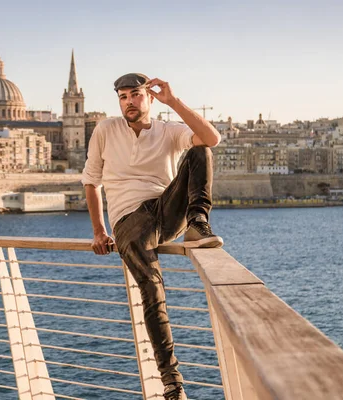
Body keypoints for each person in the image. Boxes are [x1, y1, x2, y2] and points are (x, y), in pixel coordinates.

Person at [81, 72, 223, 400]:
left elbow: (211, 139)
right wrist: (99, 231)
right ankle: (172, 382)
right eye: (122, 96)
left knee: (202, 151)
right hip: (129, 221)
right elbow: (91, 182)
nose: (129, 101)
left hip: (165, 210)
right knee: (152, 289)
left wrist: (173, 101)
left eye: (135, 94)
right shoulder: (105, 129)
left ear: (149, 97)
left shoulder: (168, 131)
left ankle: (198, 223)